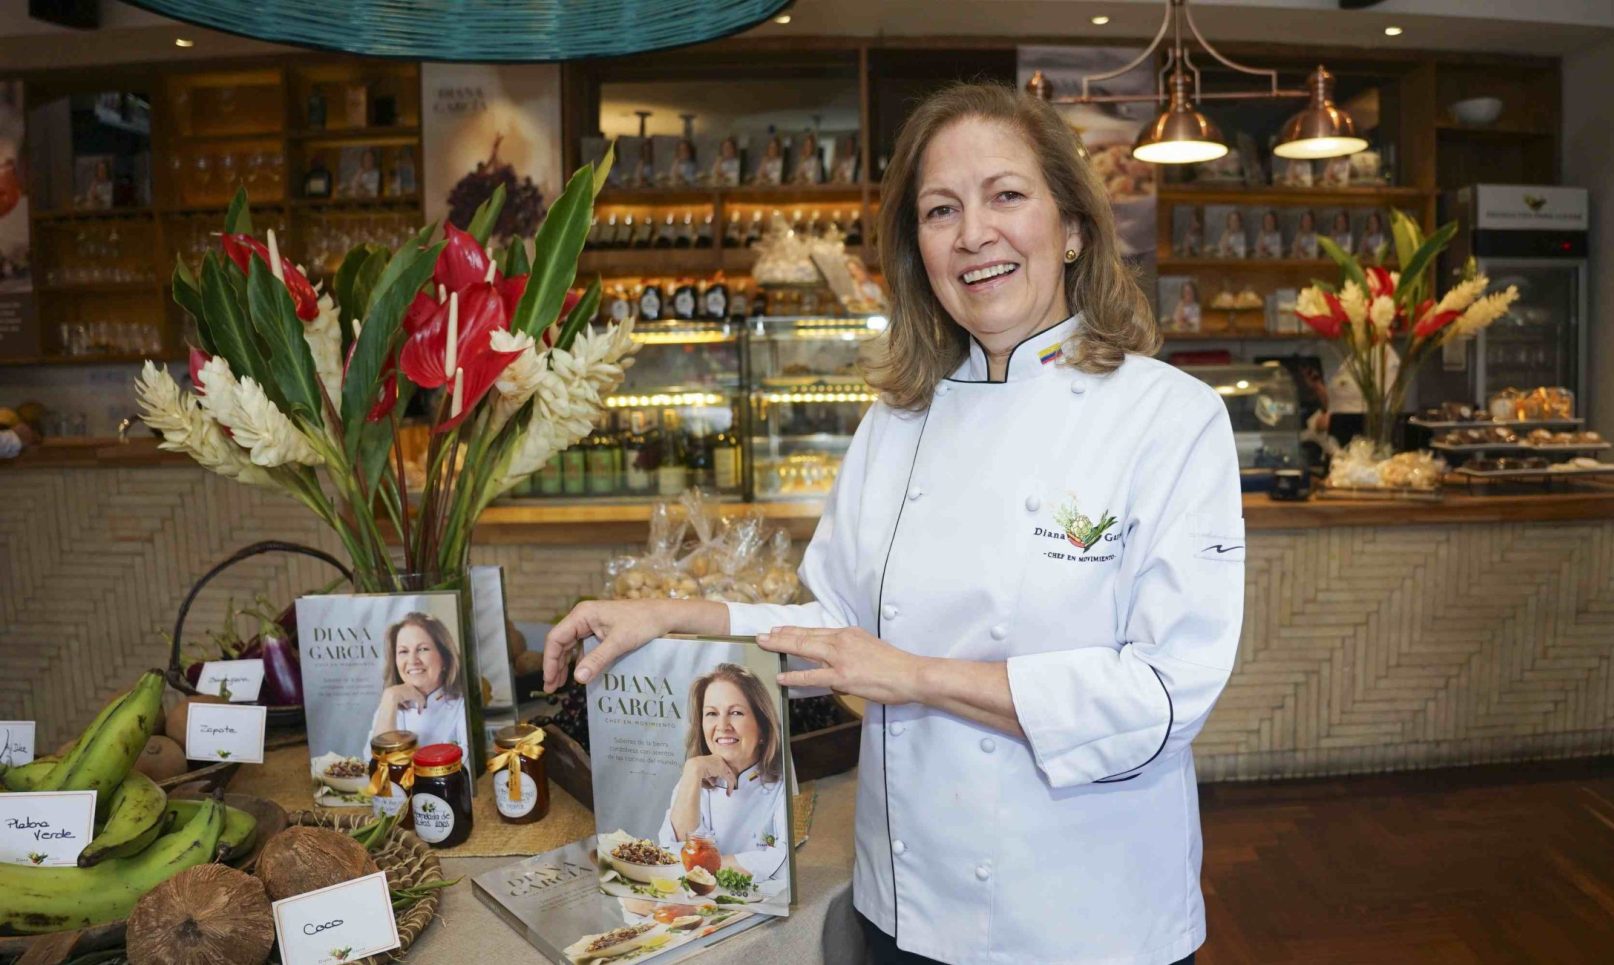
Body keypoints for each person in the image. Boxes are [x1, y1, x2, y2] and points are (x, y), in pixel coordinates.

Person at [544, 82, 1241, 965]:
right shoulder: (898, 419)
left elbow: (1165, 694)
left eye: (1007, 196)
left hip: (1087, 912)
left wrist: (914, 674)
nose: (974, 233)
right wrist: (681, 616)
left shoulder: (1169, 417)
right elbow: (831, 630)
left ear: (1072, 227)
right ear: (918, 249)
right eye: (940, 209)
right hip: (903, 906)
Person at [657, 664, 789, 884]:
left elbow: (781, 861)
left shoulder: (783, 786)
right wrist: (693, 770)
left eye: (736, 713)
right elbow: (673, 852)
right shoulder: (691, 781)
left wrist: (700, 867)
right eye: (711, 713)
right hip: (701, 904)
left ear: (763, 728)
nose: (722, 726)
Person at [365, 612, 466, 755]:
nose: (412, 660)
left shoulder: (463, 707)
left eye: (423, 649)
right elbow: (374, 768)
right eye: (403, 651)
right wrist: (390, 697)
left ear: (444, 658)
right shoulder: (390, 704)